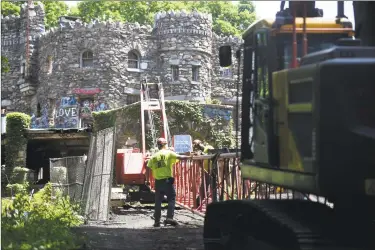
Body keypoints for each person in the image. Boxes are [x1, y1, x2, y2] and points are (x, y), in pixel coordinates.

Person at [147, 137, 190, 227]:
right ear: (165, 144)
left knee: (158, 201)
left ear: (158, 145)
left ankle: (157, 221)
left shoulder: (154, 156)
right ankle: (169, 217)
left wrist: (148, 180)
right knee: (171, 198)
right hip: (167, 181)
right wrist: (190, 156)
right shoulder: (168, 153)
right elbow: (180, 157)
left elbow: (148, 167)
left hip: (158, 182)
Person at [192, 139, 214, 206]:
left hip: (213, 170)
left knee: (213, 187)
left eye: (198, 145)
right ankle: (198, 202)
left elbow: (212, 155)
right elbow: (200, 162)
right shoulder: (201, 150)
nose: (198, 147)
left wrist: (202, 154)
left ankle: (216, 202)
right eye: (196, 146)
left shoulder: (208, 147)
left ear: (202, 143)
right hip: (206, 170)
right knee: (204, 186)